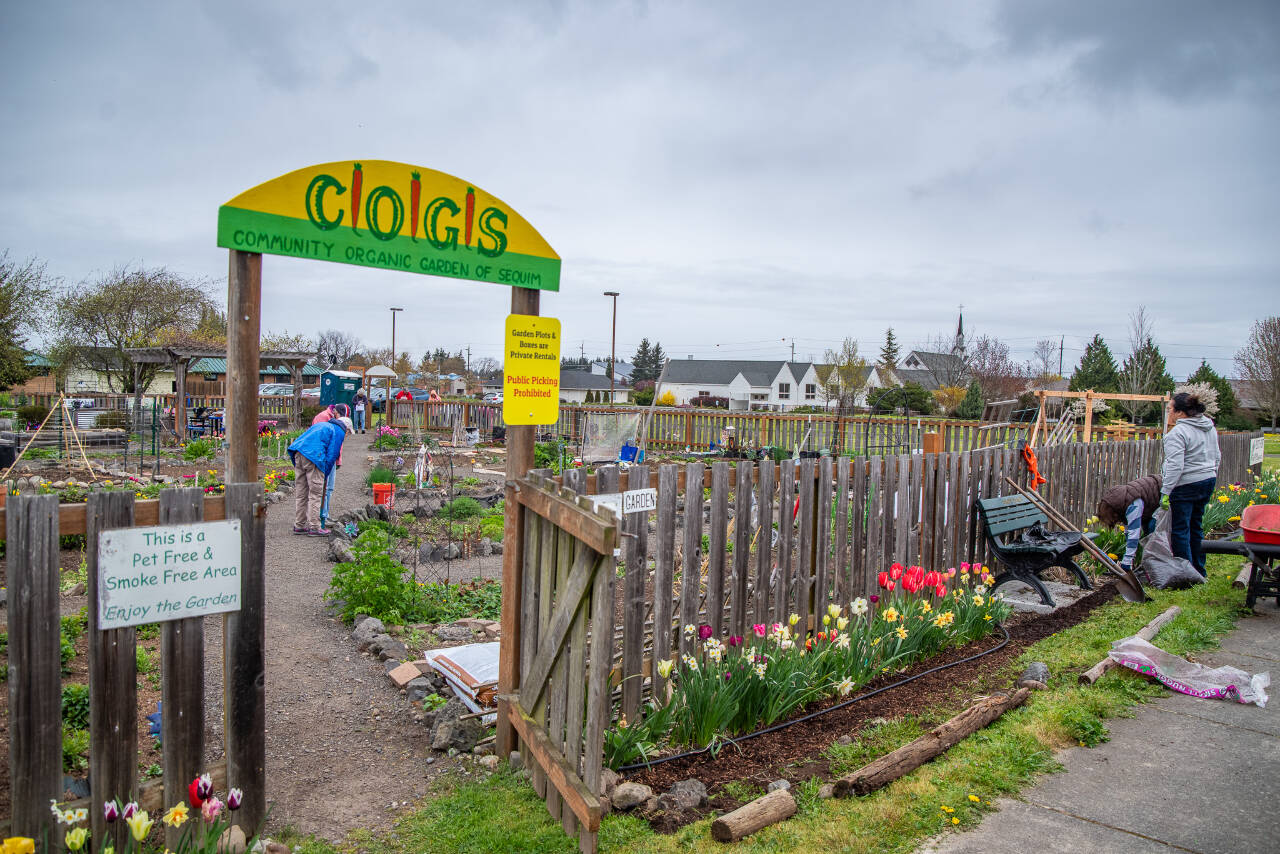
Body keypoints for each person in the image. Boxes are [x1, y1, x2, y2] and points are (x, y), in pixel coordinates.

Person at [1161, 391, 1221, 576]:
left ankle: (1186, 574)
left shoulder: (1178, 433)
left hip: (1186, 485)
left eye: (1170, 409)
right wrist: (1211, 474)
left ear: (1180, 413)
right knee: (1196, 526)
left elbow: (1175, 466)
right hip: (1207, 480)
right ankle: (1199, 569)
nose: (1169, 413)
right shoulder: (1209, 427)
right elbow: (1216, 455)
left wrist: (1166, 491)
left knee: (1180, 529)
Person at [288, 415, 353, 536]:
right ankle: (314, 527)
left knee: (302, 492)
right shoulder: (339, 431)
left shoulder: (323, 425)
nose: (347, 436)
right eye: (348, 434)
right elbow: (332, 455)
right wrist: (325, 474)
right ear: (347, 429)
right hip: (313, 457)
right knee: (316, 493)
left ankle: (299, 525)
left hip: (298, 453)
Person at [1095, 474, 1162, 571]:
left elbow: (1134, 535)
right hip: (1151, 502)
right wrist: (1129, 558)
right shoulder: (1120, 503)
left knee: (1153, 532)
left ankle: (1158, 568)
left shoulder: (1132, 505)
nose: (1116, 522)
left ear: (1112, 514)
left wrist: (1127, 561)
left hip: (1165, 495)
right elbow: (1128, 531)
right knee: (1148, 533)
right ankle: (1152, 568)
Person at [311, 405, 343, 529]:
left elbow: (337, 445)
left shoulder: (333, 420)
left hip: (330, 458)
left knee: (329, 488)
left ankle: (325, 515)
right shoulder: (323, 417)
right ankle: (320, 517)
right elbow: (321, 440)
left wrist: (338, 460)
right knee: (321, 488)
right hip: (323, 458)